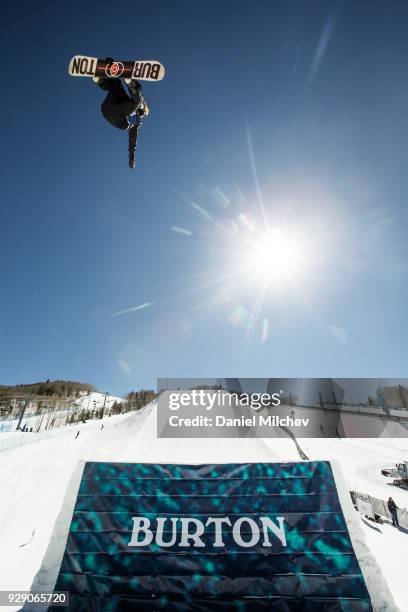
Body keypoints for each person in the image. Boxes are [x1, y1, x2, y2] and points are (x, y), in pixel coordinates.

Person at [94, 58, 149, 169]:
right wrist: (114, 68)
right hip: (108, 108)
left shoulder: (137, 121)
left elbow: (133, 140)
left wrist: (131, 158)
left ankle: (129, 84)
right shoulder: (130, 103)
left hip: (117, 117)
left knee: (137, 100)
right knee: (117, 85)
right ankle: (100, 80)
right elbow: (135, 94)